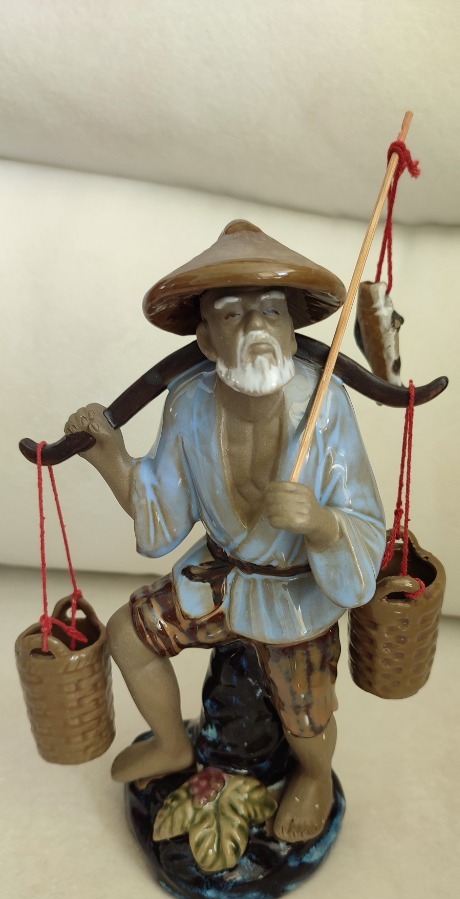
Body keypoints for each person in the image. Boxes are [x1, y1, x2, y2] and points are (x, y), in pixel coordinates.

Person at [65, 220, 386, 843]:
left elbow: (366, 520)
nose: (257, 328)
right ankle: (171, 744)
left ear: (292, 330)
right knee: (128, 634)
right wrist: (110, 457)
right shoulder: (189, 403)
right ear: (207, 339)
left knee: (306, 714)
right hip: (219, 576)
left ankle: (315, 776)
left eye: (272, 311)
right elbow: (161, 511)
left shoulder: (324, 406)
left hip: (297, 592)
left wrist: (321, 523)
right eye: (234, 315)